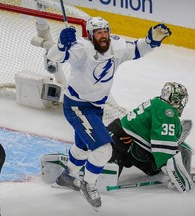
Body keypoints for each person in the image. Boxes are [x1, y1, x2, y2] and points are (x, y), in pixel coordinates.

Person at [45, 17, 172, 210]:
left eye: (105, 31)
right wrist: (61, 45)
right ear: (90, 35)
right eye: (98, 32)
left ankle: (68, 176)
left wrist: (151, 40)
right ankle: (88, 183)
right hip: (77, 106)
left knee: (84, 148)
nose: (103, 36)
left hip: (96, 107)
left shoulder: (117, 47)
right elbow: (53, 58)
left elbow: (137, 48)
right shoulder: (81, 49)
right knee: (104, 149)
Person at [107, 82, 194, 192]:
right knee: (154, 168)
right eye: (180, 99)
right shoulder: (167, 111)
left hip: (116, 136)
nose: (181, 103)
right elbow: (164, 152)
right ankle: (175, 135)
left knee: (98, 178)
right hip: (120, 143)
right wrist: (183, 183)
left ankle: (175, 134)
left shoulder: (157, 102)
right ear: (174, 99)